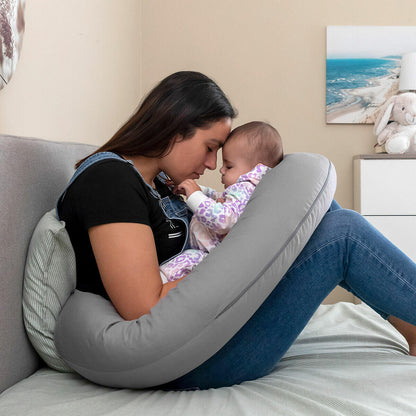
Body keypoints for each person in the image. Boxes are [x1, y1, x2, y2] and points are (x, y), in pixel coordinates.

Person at [58, 70, 416, 391]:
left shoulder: (162, 183)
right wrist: (243, 258)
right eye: (209, 147)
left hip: (213, 327)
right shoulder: (110, 181)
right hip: (193, 357)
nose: (211, 164)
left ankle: (411, 326)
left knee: (320, 211)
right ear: (175, 129)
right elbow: (142, 307)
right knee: (343, 233)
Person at [159, 121, 284, 282]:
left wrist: (194, 195)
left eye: (229, 166)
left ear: (255, 170)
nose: (221, 170)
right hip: (209, 249)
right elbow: (218, 197)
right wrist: (196, 189)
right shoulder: (247, 192)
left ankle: (157, 282)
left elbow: (223, 220)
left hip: (213, 256)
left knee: (187, 259)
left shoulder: (245, 188)